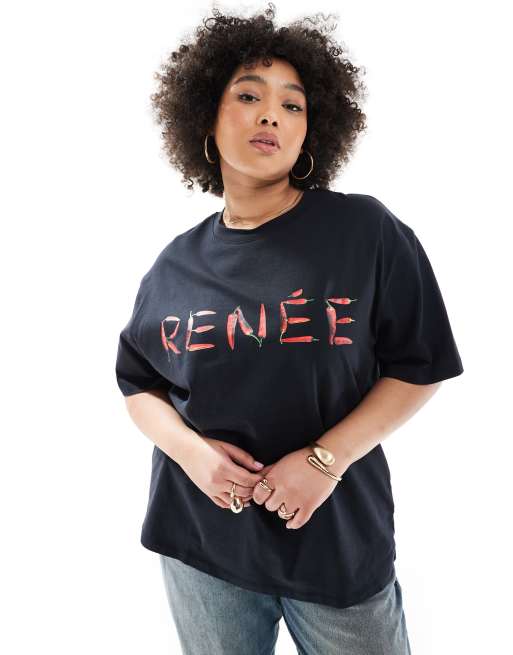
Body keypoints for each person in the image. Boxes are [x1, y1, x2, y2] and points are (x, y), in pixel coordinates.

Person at [114, 4, 463, 654]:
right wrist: (192, 455)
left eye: (292, 104)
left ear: (312, 131)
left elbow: (421, 364)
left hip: (334, 543)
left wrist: (326, 460)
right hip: (201, 543)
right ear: (205, 118)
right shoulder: (174, 263)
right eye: (248, 96)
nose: (270, 115)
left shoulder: (363, 231)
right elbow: (138, 384)